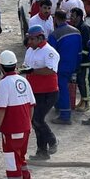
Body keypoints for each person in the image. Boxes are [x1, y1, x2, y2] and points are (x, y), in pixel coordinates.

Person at [0, 50, 36, 179]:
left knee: (12, 164)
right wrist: (27, 124)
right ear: (15, 65)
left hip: (11, 130)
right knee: (21, 159)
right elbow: (31, 106)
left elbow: (1, 109)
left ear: (2, 66)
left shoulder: (4, 83)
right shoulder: (24, 81)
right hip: (25, 128)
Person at [21, 25, 59, 160]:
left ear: (40, 38)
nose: (29, 42)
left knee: (37, 119)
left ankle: (52, 140)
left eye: (31, 39)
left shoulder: (50, 52)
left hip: (48, 92)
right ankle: (42, 151)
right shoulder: (30, 51)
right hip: (33, 92)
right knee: (34, 121)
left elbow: (50, 70)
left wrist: (32, 71)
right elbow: (26, 66)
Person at [48, 10, 82, 125]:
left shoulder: (55, 35)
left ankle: (65, 116)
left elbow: (51, 54)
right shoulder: (76, 31)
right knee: (65, 89)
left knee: (62, 90)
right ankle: (60, 107)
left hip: (61, 67)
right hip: (73, 65)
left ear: (56, 19)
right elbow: (79, 52)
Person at [70, 7, 90, 112]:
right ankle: (82, 100)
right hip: (79, 60)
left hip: (85, 61)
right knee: (80, 81)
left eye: (73, 16)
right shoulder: (77, 27)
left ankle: (87, 103)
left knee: (84, 81)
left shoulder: (85, 28)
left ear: (79, 17)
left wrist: (80, 55)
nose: (71, 18)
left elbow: (87, 46)